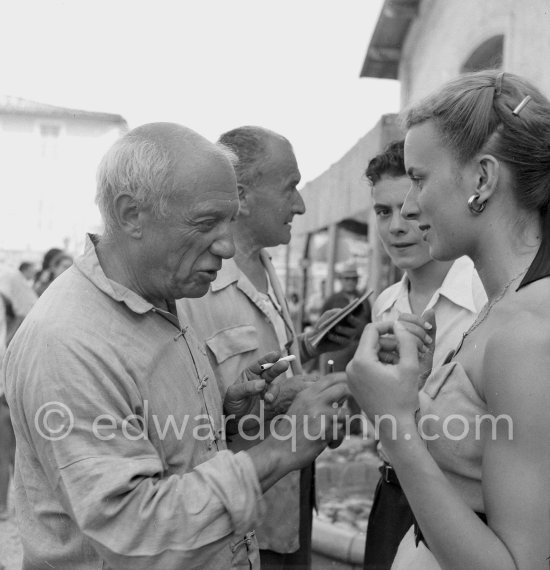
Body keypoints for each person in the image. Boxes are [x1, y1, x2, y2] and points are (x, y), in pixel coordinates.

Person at [3, 122, 348, 569]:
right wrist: (282, 448)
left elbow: (158, 450)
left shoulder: (165, 295)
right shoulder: (68, 342)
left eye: (229, 220)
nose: (226, 246)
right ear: (132, 215)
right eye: (206, 223)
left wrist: (231, 419)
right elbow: (136, 531)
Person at [348, 70, 550, 569]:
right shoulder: (505, 305)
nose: (409, 210)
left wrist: (394, 423)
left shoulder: (524, 334)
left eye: (418, 179)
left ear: (482, 179)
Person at [178, 125, 366, 570]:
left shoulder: (265, 264)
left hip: (288, 502)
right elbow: (187, 423)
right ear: (241, 196)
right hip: (241, 525)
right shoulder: (193, 290)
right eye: (290, 188)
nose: (299, 205)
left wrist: (306, 346)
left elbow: (258, 365)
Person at [361, 140, 486, 570]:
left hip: (467, 512)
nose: (397, 225)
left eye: (408, 206)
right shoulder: (385, 305)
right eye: (382, 211)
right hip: (393, 494)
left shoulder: (487, 294)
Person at [0, 266, 37, 521]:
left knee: (10, 448)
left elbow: (29, 312)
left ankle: (5, 504)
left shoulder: (8, 278)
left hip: (4, 386)